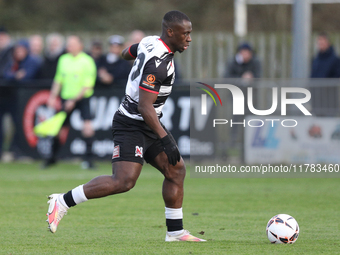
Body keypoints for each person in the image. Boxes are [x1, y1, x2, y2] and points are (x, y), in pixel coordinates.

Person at [46, 10, 205, 242]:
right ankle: (62, 201)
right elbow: (144, 106)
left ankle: (175, 232)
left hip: (147, 122)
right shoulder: (159, 65)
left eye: (190, 33)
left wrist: (135, 57)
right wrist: (166, 139)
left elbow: (125, 53)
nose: (189, 38)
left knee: (176, 170)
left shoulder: (150, 41)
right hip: (131, 123)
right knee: (123, 181)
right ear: (170, 32)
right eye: (185, 33)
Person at [43, 35, 96, 169]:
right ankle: (52, 158)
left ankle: (89, 160)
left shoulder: (87, 61)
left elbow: (88, 85)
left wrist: (73, 100)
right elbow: (58, 79)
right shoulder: (63, 59)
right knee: (59, 128)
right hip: (66, 98)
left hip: (82, 99)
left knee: (87, 127)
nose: (69, 47)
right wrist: (52, 96)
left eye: (72, 44)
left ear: (80, 46)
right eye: (68, 44)